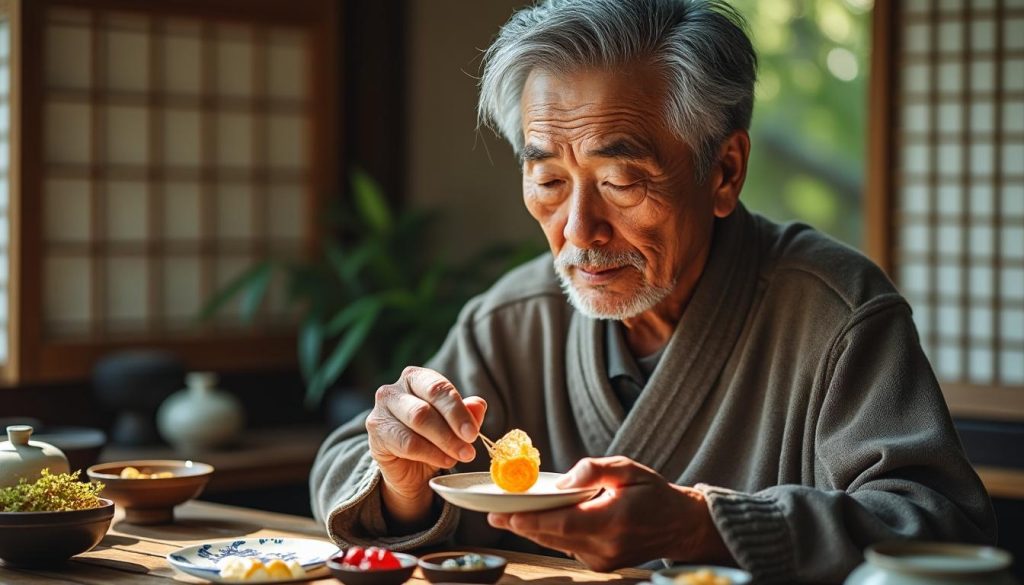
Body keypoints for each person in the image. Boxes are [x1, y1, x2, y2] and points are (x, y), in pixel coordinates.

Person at [310, 1, 996, 583]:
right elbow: (343, 464)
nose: (579, 230)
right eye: (548, 181)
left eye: (620, 181)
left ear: (724, 171)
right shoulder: (512, 318)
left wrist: (708, 526)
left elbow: (941, 525)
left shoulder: (834, 310)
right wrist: (402, 481)